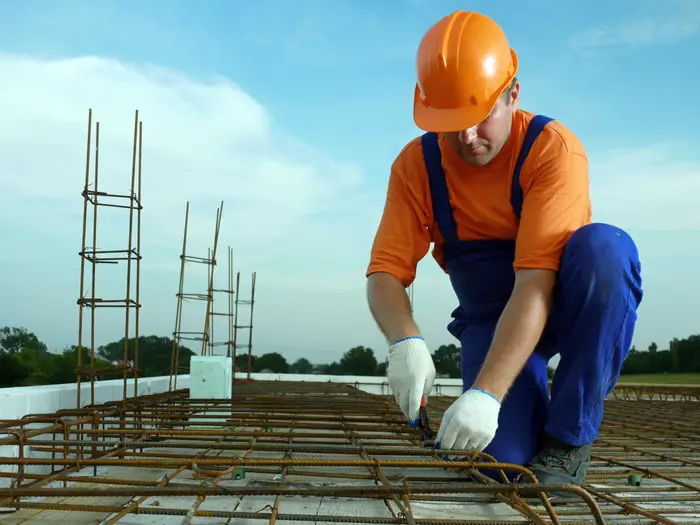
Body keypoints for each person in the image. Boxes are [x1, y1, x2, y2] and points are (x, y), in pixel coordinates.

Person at [365, 10, 643, 488]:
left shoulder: (551, 149)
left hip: (558, 299)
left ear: (513, 93)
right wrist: (404, 339)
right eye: (449, 123)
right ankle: (524, 420)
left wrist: (487, 395)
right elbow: (385, 272)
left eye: (478, 118)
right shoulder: (416, 166)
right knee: (500, 465)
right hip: (493, 318)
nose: (466, 138)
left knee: (607, 250)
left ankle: (569, 437)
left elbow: (535, 284)